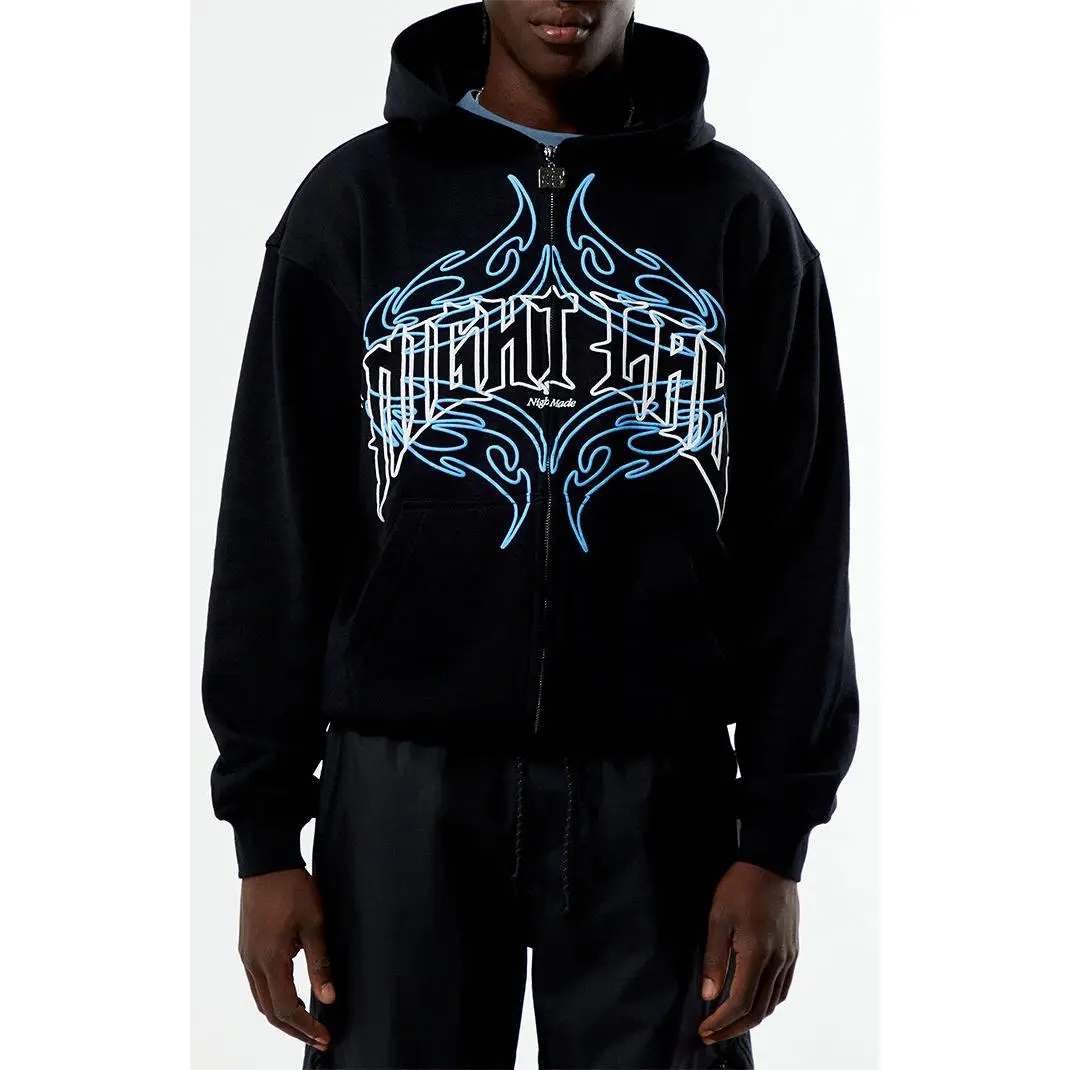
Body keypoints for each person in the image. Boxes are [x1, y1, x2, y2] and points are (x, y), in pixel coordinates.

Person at [201, 2, 860, 1067]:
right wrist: (264, 835)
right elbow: (275, 525)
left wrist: (775, 840)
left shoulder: (738, 216)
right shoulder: (356, 202)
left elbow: (800, 548)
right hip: (402, 782)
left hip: (658, 791)